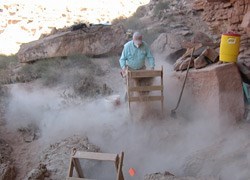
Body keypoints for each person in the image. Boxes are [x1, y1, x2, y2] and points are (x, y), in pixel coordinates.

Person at [119, 31, 155, 100]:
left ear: (142, 39)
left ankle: (142, 101)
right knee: (130, 88)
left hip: (141, 69)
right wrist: (123, 68)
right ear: (133, 40)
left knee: (143, 87)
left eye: (140, 41)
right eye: (137, 42)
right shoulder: (127, 46)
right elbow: (122, 59)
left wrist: (152, 66)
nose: (139, 44)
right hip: (130, 70)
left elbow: (150, 57)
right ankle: (127, 102)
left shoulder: (145, 46)